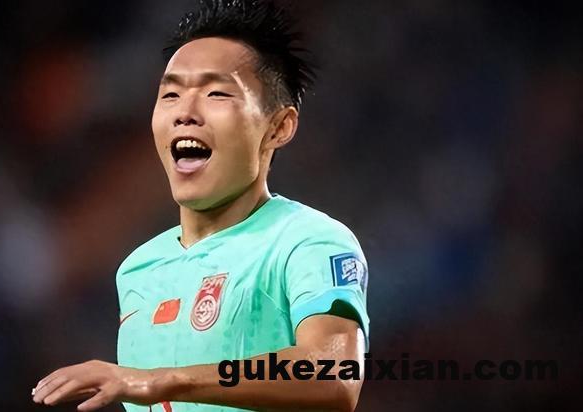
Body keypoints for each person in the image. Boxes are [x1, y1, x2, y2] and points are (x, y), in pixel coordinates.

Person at [32, 0, 370, 411]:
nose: (185, 112)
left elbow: (333, 374)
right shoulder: (137, 269)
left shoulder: (307, 241)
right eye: (171, 94)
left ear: (279, 127)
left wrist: (162, 380)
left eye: (216, 93)